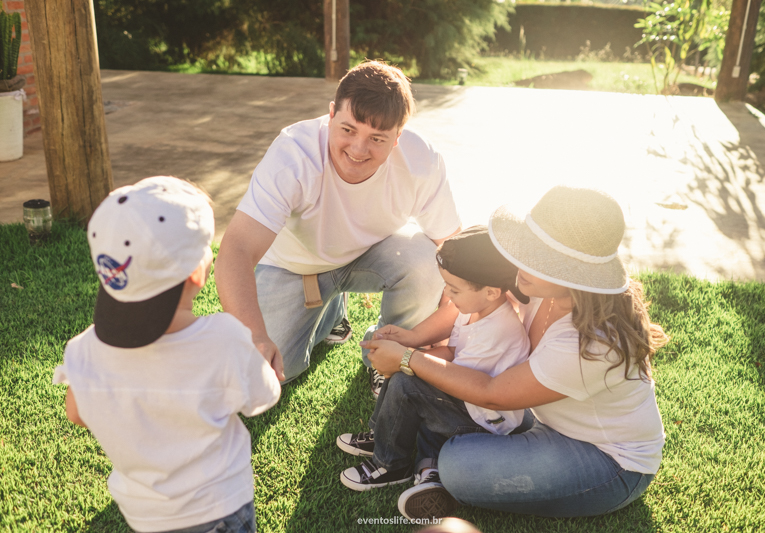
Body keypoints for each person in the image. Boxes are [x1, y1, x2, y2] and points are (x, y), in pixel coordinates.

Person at [361, 186, 668, 520]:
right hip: (542, 417)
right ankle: (424, 464)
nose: (522, 262)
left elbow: (493, 394)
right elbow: (472, 305)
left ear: (571, 274)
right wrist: (413, 338)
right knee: (435, 392)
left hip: (607, 460)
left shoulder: (591, 344)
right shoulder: (538, 284)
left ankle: (432, 468)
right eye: (528, 249)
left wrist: (407, 358)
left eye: (539, 258)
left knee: (460, 466)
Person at [215, 60, 461, 393]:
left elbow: (452, 251)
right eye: (348, 129)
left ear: (398, 136)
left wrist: (439, 331)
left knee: (427, 259)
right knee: (260, 375)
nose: (359, 149)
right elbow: (236, 250)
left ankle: (388, 355)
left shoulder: (422, 161)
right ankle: (331, 313)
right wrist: (256, 336)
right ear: (331, 115)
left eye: (377, 138)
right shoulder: (293, 155)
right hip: (295, 266)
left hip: (370, 255)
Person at [53, 177, 281, 533]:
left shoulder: (84, 349)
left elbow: (76, 412)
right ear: (196, 272)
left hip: (145, 515)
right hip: (220, 509)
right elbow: (261, 398)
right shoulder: (225, 340)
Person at [335, 226, 531, 520]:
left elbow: (456, 380)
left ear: (490, 291)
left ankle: (392, 465)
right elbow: (453, 351)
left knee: (406, 382)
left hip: (485, 423)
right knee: (408, 372)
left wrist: (408, 359)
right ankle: (420, 464)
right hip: (468, 403)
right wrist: (408, 343)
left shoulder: (498, 330)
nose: (447, 295)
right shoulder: (479, 306)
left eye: (454, 290)